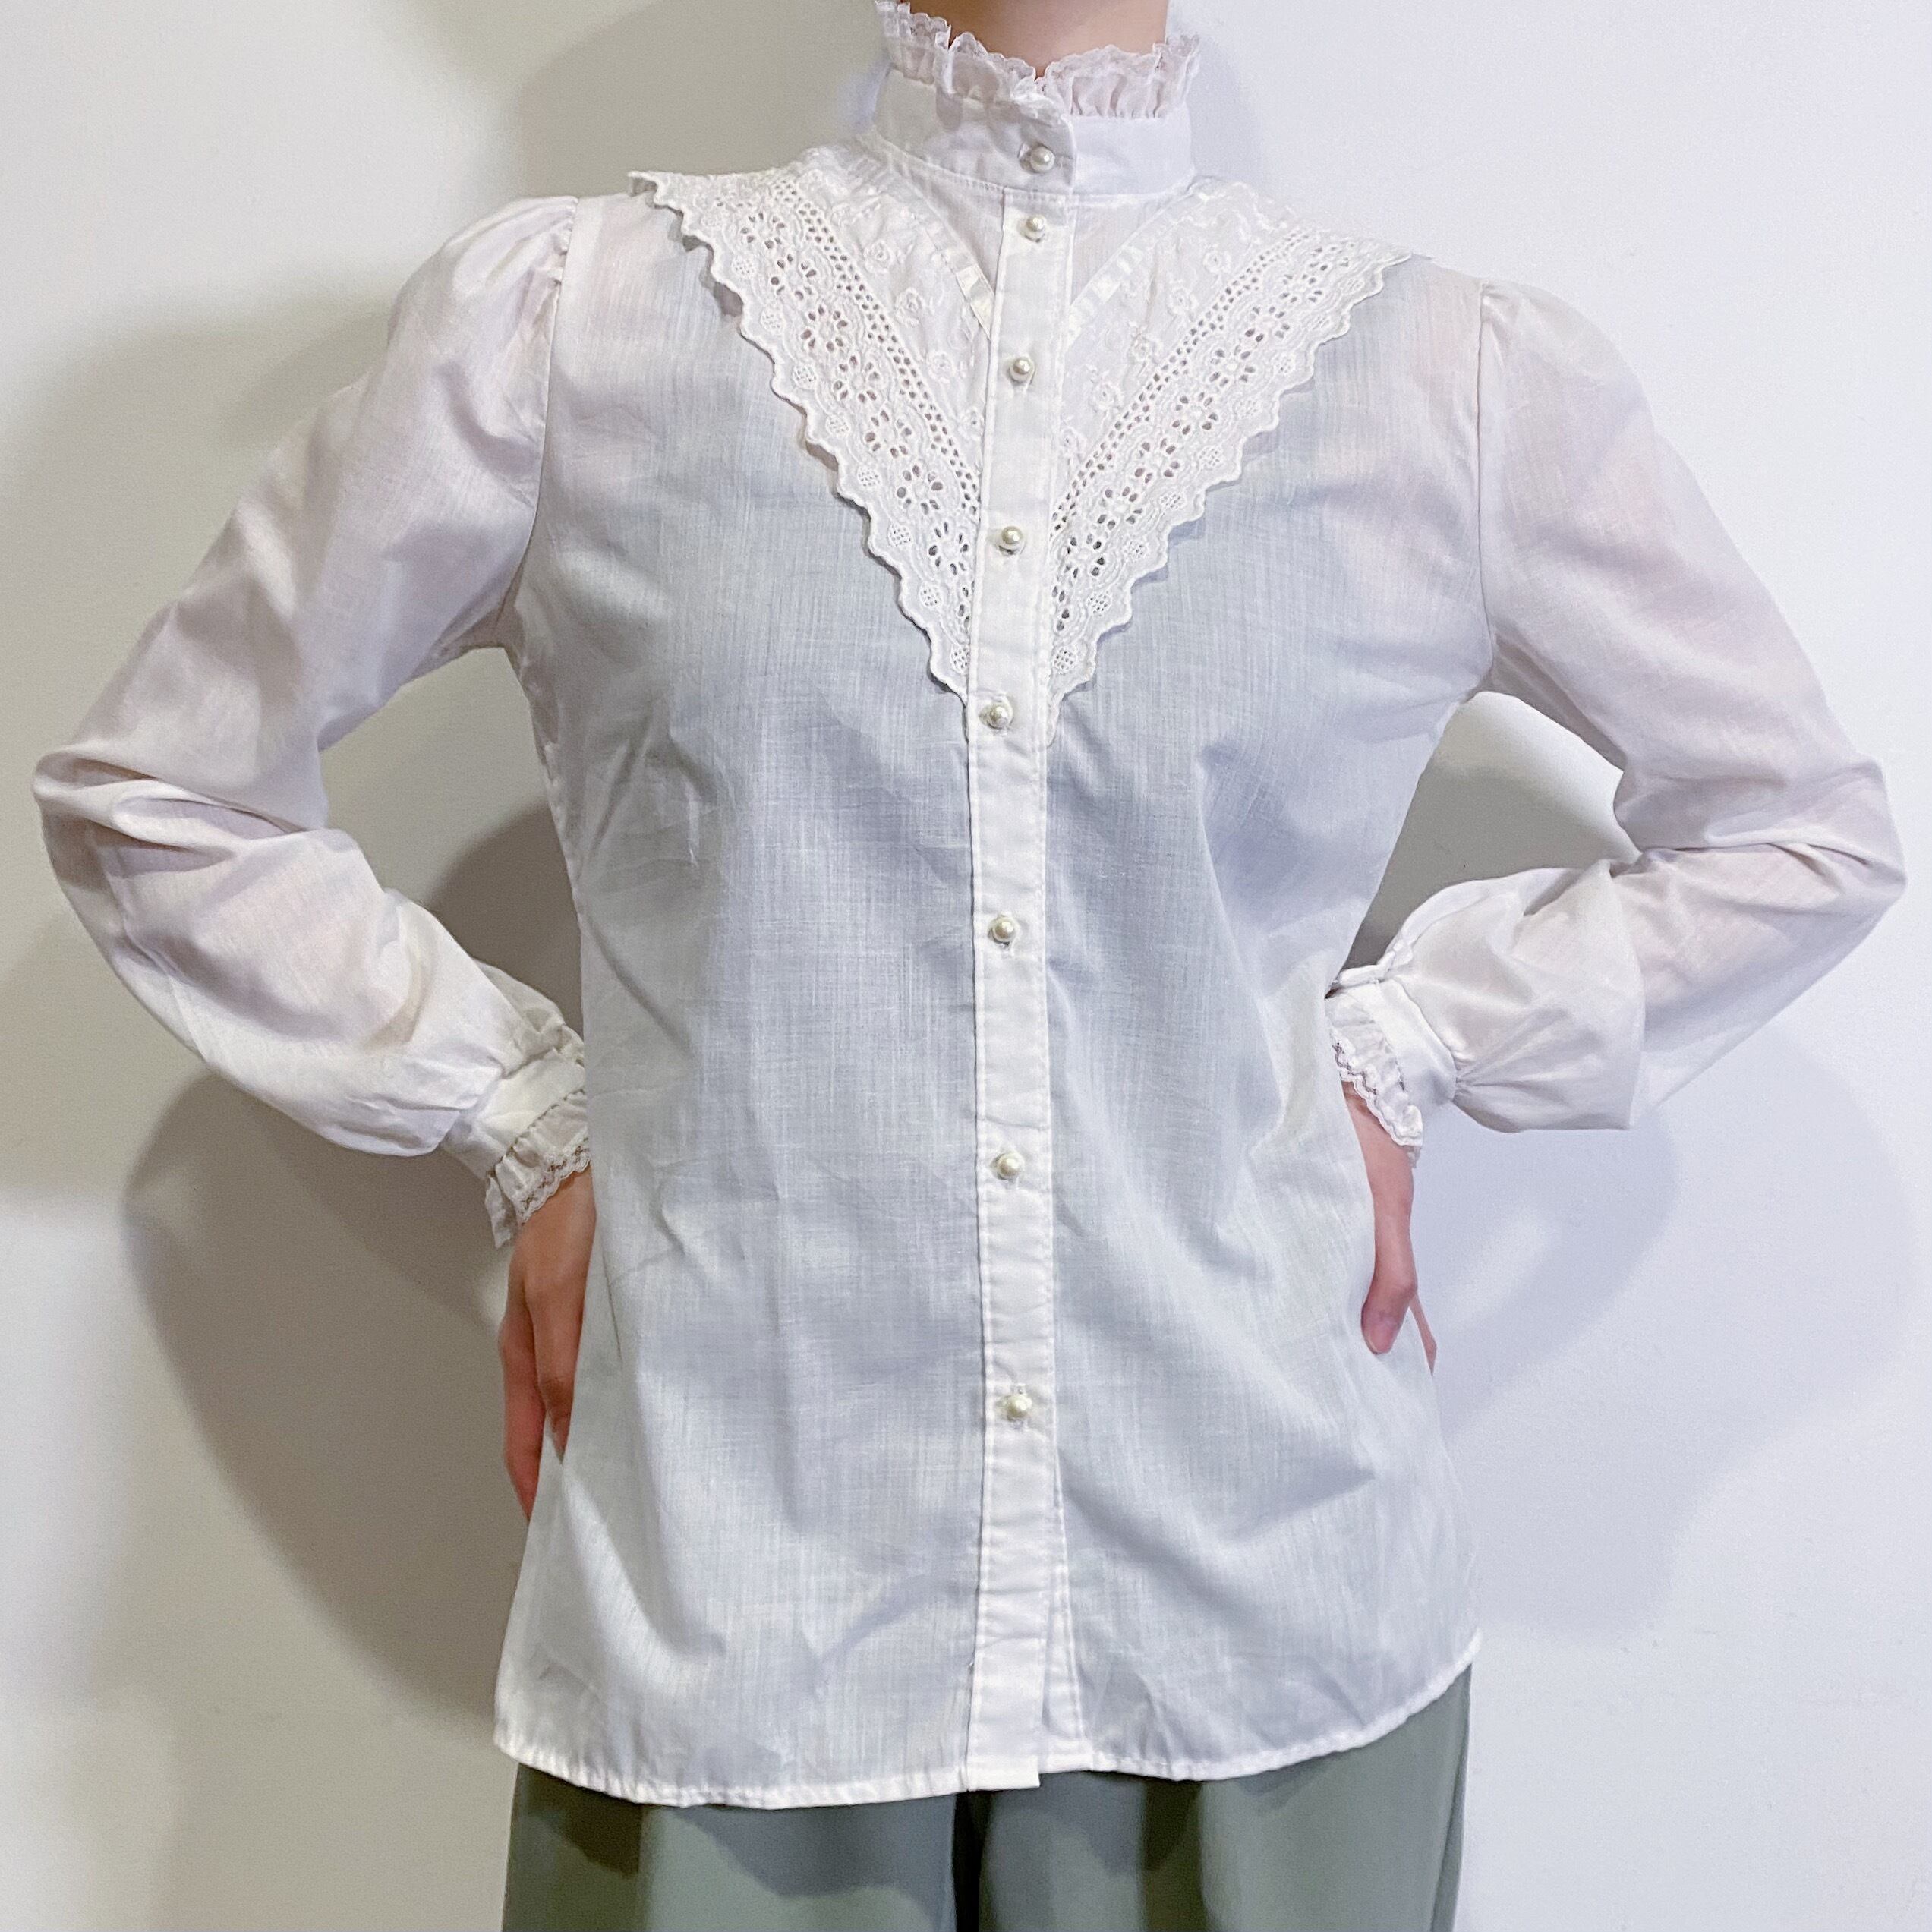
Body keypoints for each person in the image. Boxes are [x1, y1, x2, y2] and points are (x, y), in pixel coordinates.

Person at [30, 0, 1906, 1925]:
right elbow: (163, 793)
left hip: (1258, 1601)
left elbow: (1794, 830)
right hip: (739, 1603)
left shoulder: (1445, 379)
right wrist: (520, 1116)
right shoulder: (573, 332)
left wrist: (1405, 1049)